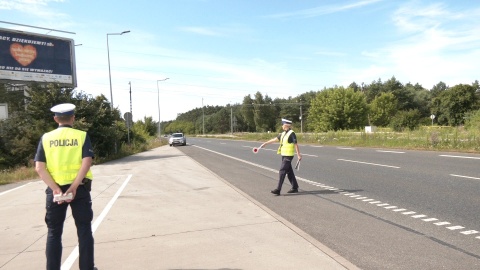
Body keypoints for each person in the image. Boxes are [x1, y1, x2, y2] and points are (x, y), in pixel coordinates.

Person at [34, 103, 97, 270]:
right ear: (73, 118)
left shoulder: (46, 138)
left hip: (55, 192)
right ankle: (87, 267)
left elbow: (39, 167)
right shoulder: (82, 136)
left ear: (55, 119)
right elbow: (87, 162)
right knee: (84, 230)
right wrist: (75, 186)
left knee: (54, 233)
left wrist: (55, 189)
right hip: (80, 190)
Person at [259, 118, 302, 195]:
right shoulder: (283, 133)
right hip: (284, 155)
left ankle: (278, 189)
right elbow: (275, 139)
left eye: (282, 124)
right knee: (289, 172)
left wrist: (298, 154)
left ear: (286, 125)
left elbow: (295, 144)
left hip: (289, 156)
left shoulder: (292, 133)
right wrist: (265, 143)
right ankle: (295, 187)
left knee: (282, 171)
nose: (282, 126)